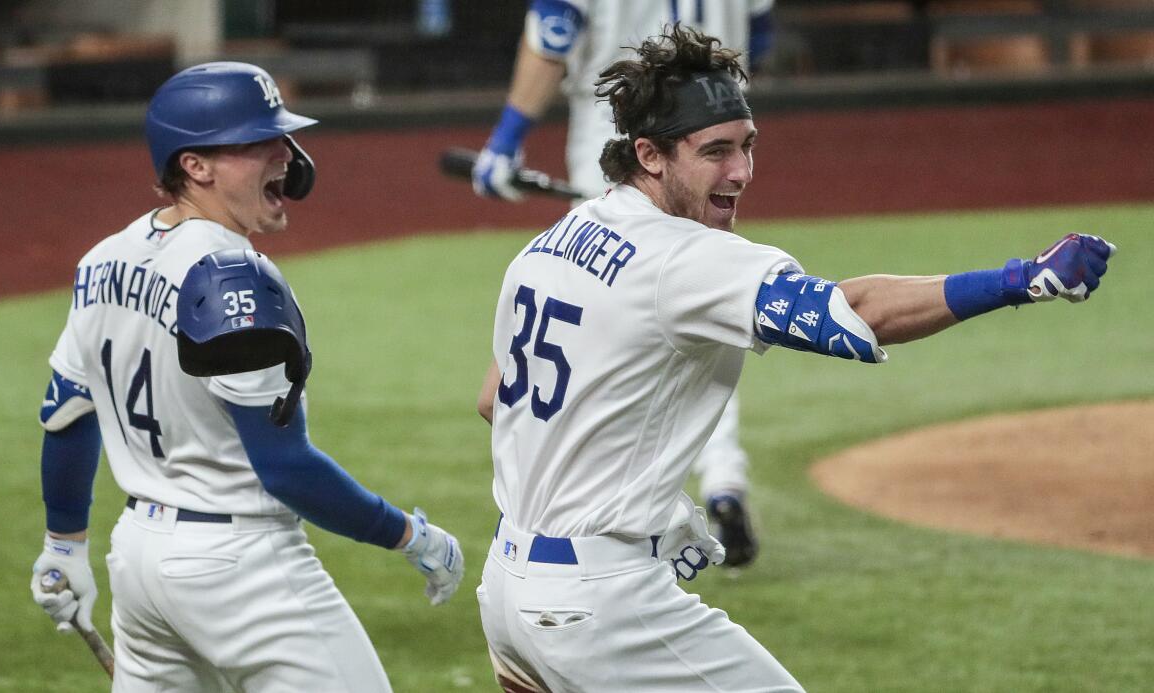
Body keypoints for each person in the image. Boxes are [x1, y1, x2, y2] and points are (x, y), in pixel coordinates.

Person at [473, 26, 1115, 692]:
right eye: (715, 152)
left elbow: (497, 399)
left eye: (747, 146)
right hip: (601, 609)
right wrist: (1018, 280)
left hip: (509, 595)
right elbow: (855, 311)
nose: (742, 173)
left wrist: (636, 513)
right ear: (650, 154)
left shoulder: (550, 243)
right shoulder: (688, 258)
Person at [29, 62, 464, 692]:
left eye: (282, 139)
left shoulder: (104, 259)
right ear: (196, 166)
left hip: (140, 561)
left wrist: (64, 541)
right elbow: (285, 468)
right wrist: (409, 535)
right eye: (258, 142)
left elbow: (67, 413)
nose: (285, 155)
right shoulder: (233, 277)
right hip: (239, 568)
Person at [473, 0, 777, 567]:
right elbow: (756, 43)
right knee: (710, 318)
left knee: (611, 337)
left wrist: (507, 137)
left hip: (617, 158)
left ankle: (599, 504)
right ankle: (724, 482)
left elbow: (552, 36)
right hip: (710, 159)